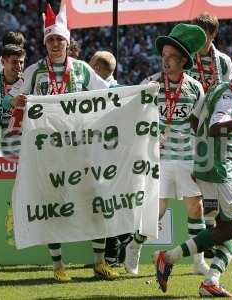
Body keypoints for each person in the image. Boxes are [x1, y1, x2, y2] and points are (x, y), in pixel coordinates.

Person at [154, 36, 232, 298]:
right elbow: (214, 127)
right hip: (218, 170)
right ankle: (170, 258)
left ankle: (210, 279)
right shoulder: (227, 98)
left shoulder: (220, 89)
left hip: (208, 166)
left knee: (229, 230)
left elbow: (197, 123)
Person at [9, 1, 115, 282]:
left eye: (60, 39)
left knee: (96, 199)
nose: (56, 44)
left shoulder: (81, 69)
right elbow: (15, 97)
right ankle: (58, 265)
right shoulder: (34, 71)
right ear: (46, 43)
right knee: (52, 205)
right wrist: (18, 100)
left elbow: (108, 92)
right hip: (49, 153)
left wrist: (140, 94)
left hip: (82, 149)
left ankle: (100, 262)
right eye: (51, 39)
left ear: (67, 43)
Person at [124, 23, 210, 276]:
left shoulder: (195, 87)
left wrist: (202, 160)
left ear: (184, 60)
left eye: (172, 57)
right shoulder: (150, 84)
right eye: (164, 56)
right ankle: (134, 247)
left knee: (196, 209)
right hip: (157, 159)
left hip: (187, 157)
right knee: (156, 212)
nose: (166, 61)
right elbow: (132, 113)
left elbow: (200, 125)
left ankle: (198, 262)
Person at [188, 14, 232, 256]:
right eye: (195, 32)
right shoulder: (185, 58)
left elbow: (231, 94)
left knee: (212, 182)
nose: (198, 37)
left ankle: (213, 231)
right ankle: (205, 234)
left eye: (203, 33)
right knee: (196, 182)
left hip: (215, 132)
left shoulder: (224, 61)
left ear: (213, 34)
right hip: (190, 128)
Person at [88, 49, 131, 267]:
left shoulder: (105, 93)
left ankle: (115, 250)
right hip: (110, 157)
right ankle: (112, 251)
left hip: (108, 159)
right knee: (104, 205)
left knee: (107, 204)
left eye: (90, 64)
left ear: (96, 69)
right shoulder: (126, 92)